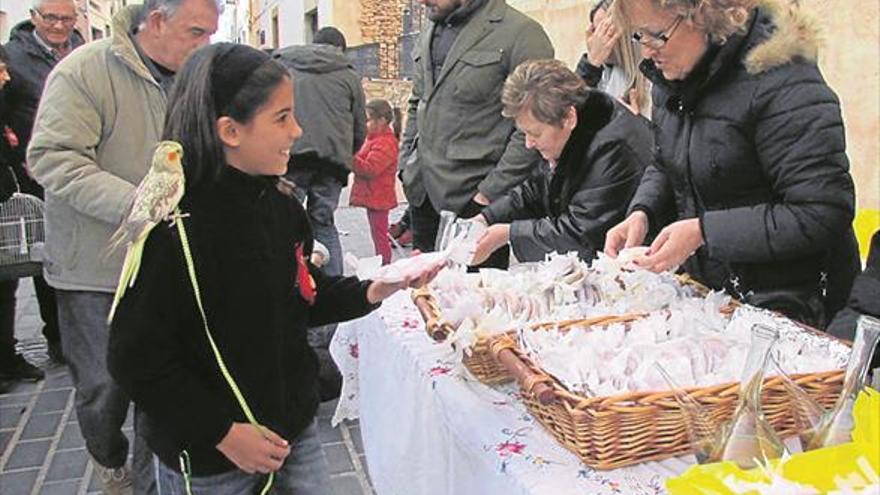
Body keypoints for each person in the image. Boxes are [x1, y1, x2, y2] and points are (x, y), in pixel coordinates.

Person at [107, 43, 438, 494]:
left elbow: (301, 294)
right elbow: (135, 357)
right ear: (230, 131)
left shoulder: (280, 208)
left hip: (291, 429)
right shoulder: (175, 229)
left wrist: (374, 289)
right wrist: (221, 431)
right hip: (215, 457)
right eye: (282, 118)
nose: (297, 131)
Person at [27, 0, 222, 492]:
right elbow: (51, 157)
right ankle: (108, 459)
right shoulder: (84, 71)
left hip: (170, 263)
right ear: (155, 21)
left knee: (160, 383)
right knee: (103, 389)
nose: (204, 46)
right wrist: (140, 205)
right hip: (96, 269)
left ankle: (146, 480)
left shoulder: (198, 78)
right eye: (196, 32)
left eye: (210, 35)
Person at [603, 0, 859, 328]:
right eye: (638, 36)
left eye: (656, 35)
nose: (647, 51)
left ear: (702, 16)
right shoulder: (673, 77)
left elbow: (822, 212)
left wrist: (704, 232)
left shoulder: (783, 81)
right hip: (719, 298)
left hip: (792, 307)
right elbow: (665, 160)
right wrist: (643, 212)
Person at [400, 0, 554, 266]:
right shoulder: (431, 28)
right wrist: (405, 163)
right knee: (424, 299)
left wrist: (488, 194)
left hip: (475, 201)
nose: (422, 2)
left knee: (472, 302)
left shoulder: (521, 32)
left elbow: (534, 126)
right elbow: (418, 100)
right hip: (422, 196)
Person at [472, 59, 651, 264]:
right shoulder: (569, 131)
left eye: (535, 134)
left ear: (568, 118)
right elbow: (537, 188)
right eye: (525, 134)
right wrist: (486, 218)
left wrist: (508, 234)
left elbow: (582, 236)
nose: (529, 144)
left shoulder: (614, 151)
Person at [1, 0, 86, 366]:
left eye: (66, 18)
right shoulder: (13, 57)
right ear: (34, 17)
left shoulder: (83, 51)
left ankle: (76, 335)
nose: (58, 25)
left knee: (76, 252)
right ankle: (51, 339)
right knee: (40, 256)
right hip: (32, 175)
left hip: (81, 168)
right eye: (50, 17)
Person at [274, 26, 366, 278]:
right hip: (332, 164)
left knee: (284, 225)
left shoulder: (286, 67)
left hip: (291, 159)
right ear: (341, 48)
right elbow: (360, 128)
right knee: (323, 223)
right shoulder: (349, 75)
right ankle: (331, 298)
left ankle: (284, 288)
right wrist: (345, 154)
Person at [576, 0, 650, 114]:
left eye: (604, 31)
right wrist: (591, 64)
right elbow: (570, 113)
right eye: (595, 31)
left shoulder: (653, 80)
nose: (597, 39)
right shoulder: (601, 75)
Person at [351, 99, 400, 265]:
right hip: (374, 195)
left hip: (379, 196)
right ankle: (381, 264)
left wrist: (349, 158)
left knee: (380, 236)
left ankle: (384, 267)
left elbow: (370, 168)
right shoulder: (374, 139)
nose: (365, 124)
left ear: (381, 121)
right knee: (378, 234)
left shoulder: (385, 143)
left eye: (368, 120)